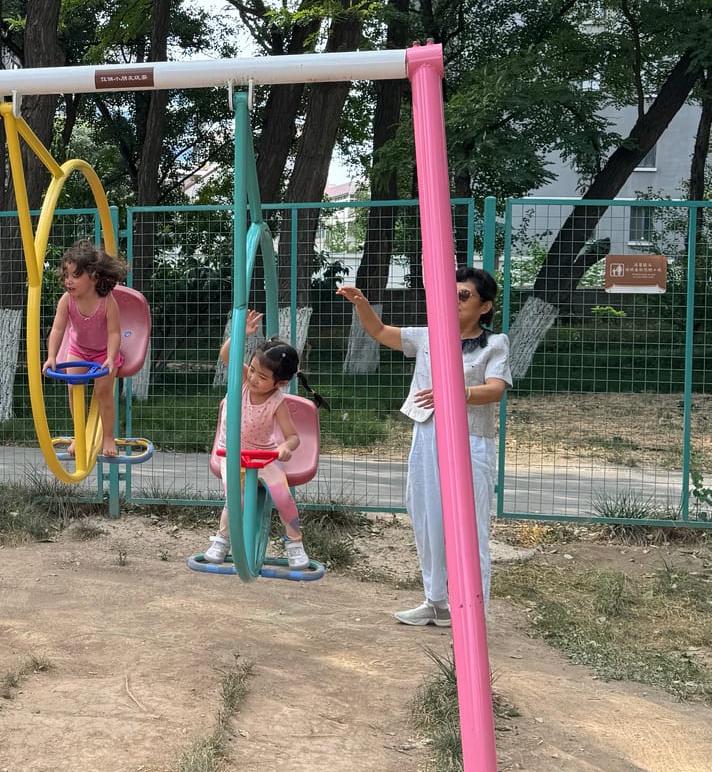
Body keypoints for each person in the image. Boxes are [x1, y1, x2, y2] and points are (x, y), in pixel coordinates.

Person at [337, 268, 511, 627]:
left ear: (485, 306)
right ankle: (437, 601)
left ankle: (472, 611)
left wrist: (456, 393)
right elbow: (380, 332)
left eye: (464, 295)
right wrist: (362, 304)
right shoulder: (430, 336)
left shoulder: (495, 344)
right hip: (427, 433)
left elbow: (495, 389)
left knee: (469, 524)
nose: (454, 301)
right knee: (426, 515)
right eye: (451, 294)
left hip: (470, 438)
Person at [202, 317, 315, 572]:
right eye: (252, 369)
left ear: (281, 383)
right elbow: (227, 355)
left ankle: (294, 542)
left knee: (283, 498)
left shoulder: (278, 402)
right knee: (235, 502)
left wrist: (286, 448)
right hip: (232, 454)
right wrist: (240, 333)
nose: (253, 378)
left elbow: (293, 436)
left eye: (262, 377)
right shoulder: (241, 380)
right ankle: (223, 539)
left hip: (264, 455)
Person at [43, 242, 126, 460]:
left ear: (94, 277)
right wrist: (51, 356)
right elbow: (58, 328)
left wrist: (109, 358)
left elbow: (114, 334)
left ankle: (108, 436)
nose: (69, 281)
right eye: (67, 275)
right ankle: (79, 435)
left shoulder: (107, 302)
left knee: (103, 393)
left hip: (103, 353)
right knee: (74, 389)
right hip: (78, 350)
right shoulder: (67, 300)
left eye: (76, 275)